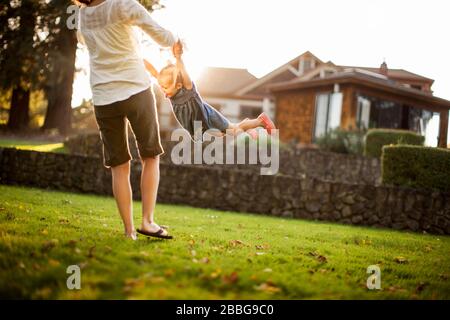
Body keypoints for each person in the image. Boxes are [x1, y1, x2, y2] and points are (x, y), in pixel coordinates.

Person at [76, 0, 175, 240]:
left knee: (119, 165)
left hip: (103, 96)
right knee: (150, 155)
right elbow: (164, 38)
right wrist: (177, 39)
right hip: (135, 90)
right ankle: (148, 222)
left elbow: (82, 40)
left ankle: (129, 231)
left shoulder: (82, 15)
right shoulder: (124, 4)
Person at [144, 41, 276, 141]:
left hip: (207, 119)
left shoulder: (189, 91)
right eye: (161, 86)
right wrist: (138, 59)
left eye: (165, 87)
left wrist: (178, 57)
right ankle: (247, 126)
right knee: (231, 130)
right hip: (200, 124)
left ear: (178, 85)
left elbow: (184, 73)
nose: (162, 89)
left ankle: (260, 122)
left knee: (231, 132)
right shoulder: (169, 88)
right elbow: (154, 73)